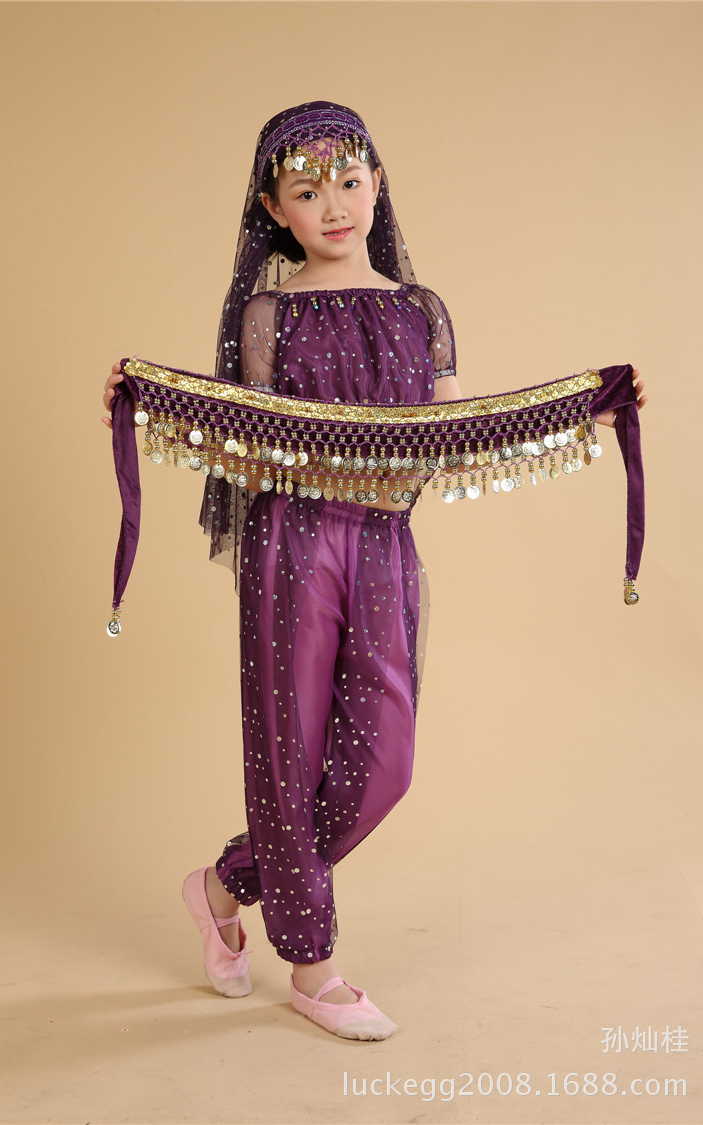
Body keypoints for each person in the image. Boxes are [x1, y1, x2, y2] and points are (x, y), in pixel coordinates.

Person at [102, 101, 648, 1040]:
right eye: (306, 190)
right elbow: (245, 435)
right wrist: (144, 403)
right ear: (274, 209)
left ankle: (225, 883)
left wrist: (581, 414)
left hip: (386, 542)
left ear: (378, 184)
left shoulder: (421, 310)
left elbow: (454, 432)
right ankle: (311, 968)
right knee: (290, 749)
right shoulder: (269, 315)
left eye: (350, 182)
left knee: (383, 763)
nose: (334, 205)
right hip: (293, 542)